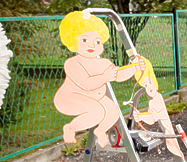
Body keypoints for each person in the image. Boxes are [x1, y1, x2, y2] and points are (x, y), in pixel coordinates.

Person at [54, 11, 145, 147]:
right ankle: (70, 128)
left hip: (95, 97)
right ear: (73, 41)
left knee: (113, 111)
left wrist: (134, 68)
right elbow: (85, 84)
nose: (92, 46)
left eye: (97, 41)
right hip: (70, 98)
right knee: (97, 111)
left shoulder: (103, 63)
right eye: (84, 40)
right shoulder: (73, 63)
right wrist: (104, 77)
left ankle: (101, 130)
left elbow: (118, 75)